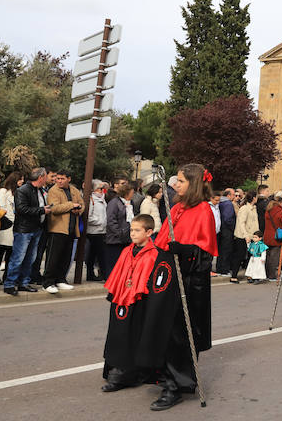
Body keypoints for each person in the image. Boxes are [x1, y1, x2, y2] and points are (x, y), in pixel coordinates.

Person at [153, 163, 218, 411]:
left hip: (190, 284)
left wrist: (185, 250)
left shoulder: (204, 211)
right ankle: (165, 377)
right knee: (166, 331)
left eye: (180, 181)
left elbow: (204, 256)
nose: (175, 184)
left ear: (194, 184)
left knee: (181, 334)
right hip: (169, 278)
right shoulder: (178, 207)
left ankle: (176, 385)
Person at [101, 214, 176, 394]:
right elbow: (119, 274)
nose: (132, 234)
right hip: (121, 298)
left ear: (149, 232)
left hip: (139, 300)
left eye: (137, 230)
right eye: (131, 230)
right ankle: (116, 368)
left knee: (134, 335)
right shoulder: (127, 250)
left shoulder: (154, 254)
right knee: (118, 334)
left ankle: (130, 373)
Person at [6, 168, 52, 296]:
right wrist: (42, 210)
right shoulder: (23, 190)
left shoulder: (39, 190)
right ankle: (10, 284)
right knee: (18, 258)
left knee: (30, 258)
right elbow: (21, 209)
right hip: (24, 229)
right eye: (46, 176)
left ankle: (24, 282)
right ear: (41, 177)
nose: (47, 179)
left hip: (36, 228)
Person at [43, 170, 83, 293]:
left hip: (71, 229)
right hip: (57, 229)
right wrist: (71, 205)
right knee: (53, 257)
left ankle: (60, 280)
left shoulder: (74, 190)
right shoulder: (53, 191)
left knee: (66, 257)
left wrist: (79, 210)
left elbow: (82, 204)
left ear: (68, 179)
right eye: (58, 178)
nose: (59, 181)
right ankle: (48, 282)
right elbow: (54, 208)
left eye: (62, 179)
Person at [0, 172, 22, 285]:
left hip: (16, 224)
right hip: (6, 223)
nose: (22, 182)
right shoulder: (4, 191)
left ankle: (7, 274)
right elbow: (2, 206)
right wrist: (9, 219)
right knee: (1, 249)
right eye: (21, 179)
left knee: (11, 251)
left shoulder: (19, 192)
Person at [105, 182, 134, 279]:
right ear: (127, 193)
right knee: (113, 263)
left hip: (126, 238)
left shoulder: (129, 204)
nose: (133, 194)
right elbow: (111, 220)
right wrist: (120, 233)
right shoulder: (114, 203)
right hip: (115, 239)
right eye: (132, 192)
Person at [85, 179, 108, 281]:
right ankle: (100, 274)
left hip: (102, 231)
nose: (102, 191)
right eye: (100, 188)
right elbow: (89, 217)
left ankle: (95, 275)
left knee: (96, 254)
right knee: (98, 254)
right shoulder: (91, 200)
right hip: (94, 231)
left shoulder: (102, 199)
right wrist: (100, 221)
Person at [233, 191, 259, 280]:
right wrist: (246, 235)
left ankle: (249, 275)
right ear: (254, 198)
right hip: (242, 236)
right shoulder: (244, 208)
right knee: (239, 256)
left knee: (251, 256)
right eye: (256, 197)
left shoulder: (254, 208)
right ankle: (234, 276)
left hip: (252, 236)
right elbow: (241, 223)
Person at [263, 192, 282, 280]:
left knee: (268, 256)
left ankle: (266, 273)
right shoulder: (281, 212)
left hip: (267, 235)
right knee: (275, 257)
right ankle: (272, 275)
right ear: (280, 202)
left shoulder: (268, 210)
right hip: (276, 236)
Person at [216, 188, 238, 276]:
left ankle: (219, 268)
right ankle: (224, 270)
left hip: (221, 229)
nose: (234, 196)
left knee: (221, 250)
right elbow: (228, 218)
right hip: (227, 230)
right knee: (226, 250)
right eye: (233, 195)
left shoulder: (220, 203)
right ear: (228, 195)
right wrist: (233, 227)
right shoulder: (228, 204)